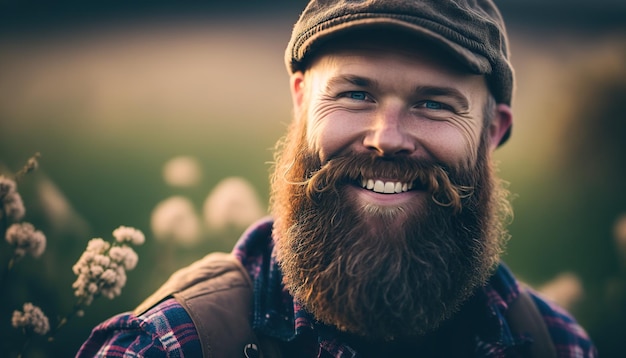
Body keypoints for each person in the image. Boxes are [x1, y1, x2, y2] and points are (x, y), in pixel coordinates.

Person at [77, 0, 597, 357]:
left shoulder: (559, 345)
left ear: (491, 131)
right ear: (302, 101)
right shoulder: (168, 347)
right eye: (355, 94)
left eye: (433, 104)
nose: (386, 137)